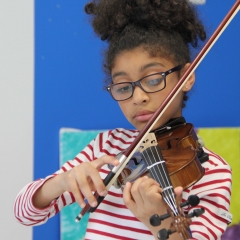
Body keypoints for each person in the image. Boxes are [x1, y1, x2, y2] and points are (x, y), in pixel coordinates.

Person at [13, 0, 232, 239]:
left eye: (153, 79)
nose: (138, 97)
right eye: (124, 86)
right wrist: (63, 181)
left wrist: (159, 219)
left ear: (186, 77)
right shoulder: (107, 147)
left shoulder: (210, 171)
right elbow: (25, 214)